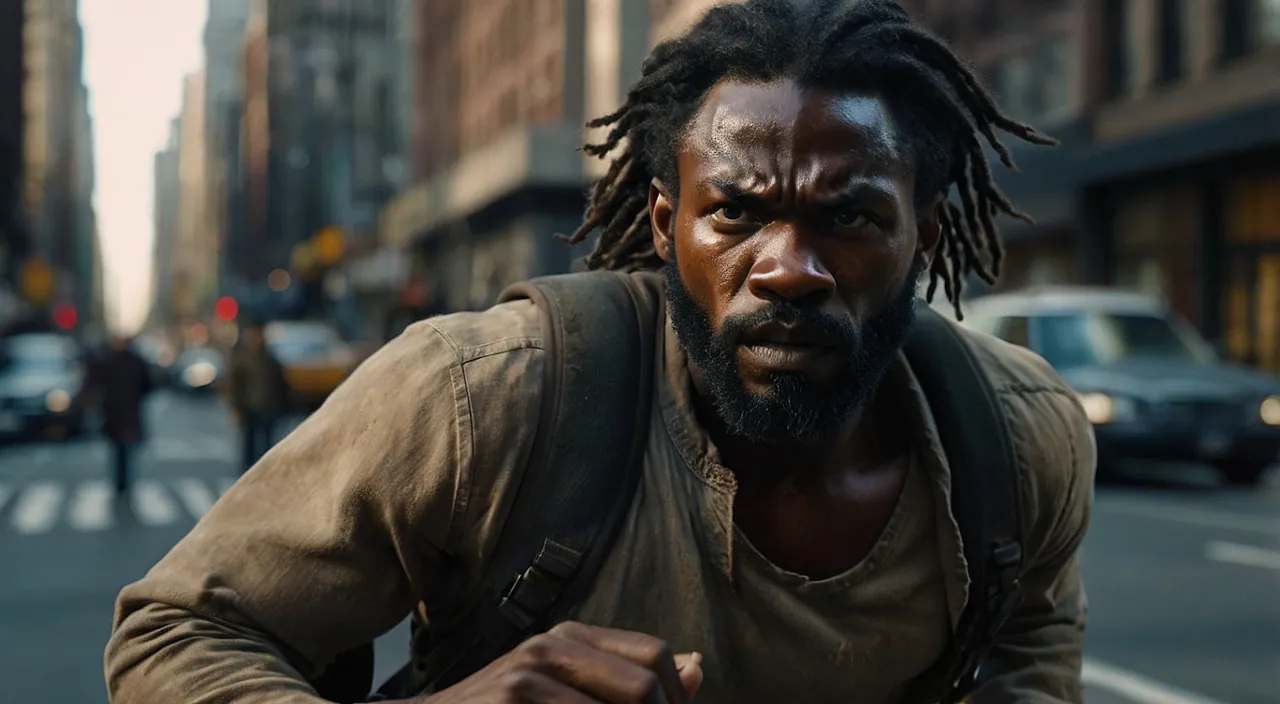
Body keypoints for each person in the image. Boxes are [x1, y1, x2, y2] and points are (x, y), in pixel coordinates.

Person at [104, 1, 1095, 702]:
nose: (787, 267)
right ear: (665, 223)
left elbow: (1032, 638)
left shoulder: (1015, 437)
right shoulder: (480, 396)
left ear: (920, 235)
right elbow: (175, 631)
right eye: (735, 213)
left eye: (847, 217)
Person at [90, 335, 153, 497]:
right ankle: (123, 484)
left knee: (119, 451)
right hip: (128, 411)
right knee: (126, 450)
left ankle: (121, 484)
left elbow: (96, 383)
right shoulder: (134, 361)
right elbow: (148, 385)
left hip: (115, 412)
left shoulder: (108, 360)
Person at [226, 319, 290, 472]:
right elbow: (235, 387)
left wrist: (284, 407)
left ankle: (265, 471)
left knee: (267, 444)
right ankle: (247, 473)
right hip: (249, 408)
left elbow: (281, 384)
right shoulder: (243, 359)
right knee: (249, 445)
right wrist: (235, 408)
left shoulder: (270, 358)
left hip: (268, 407)